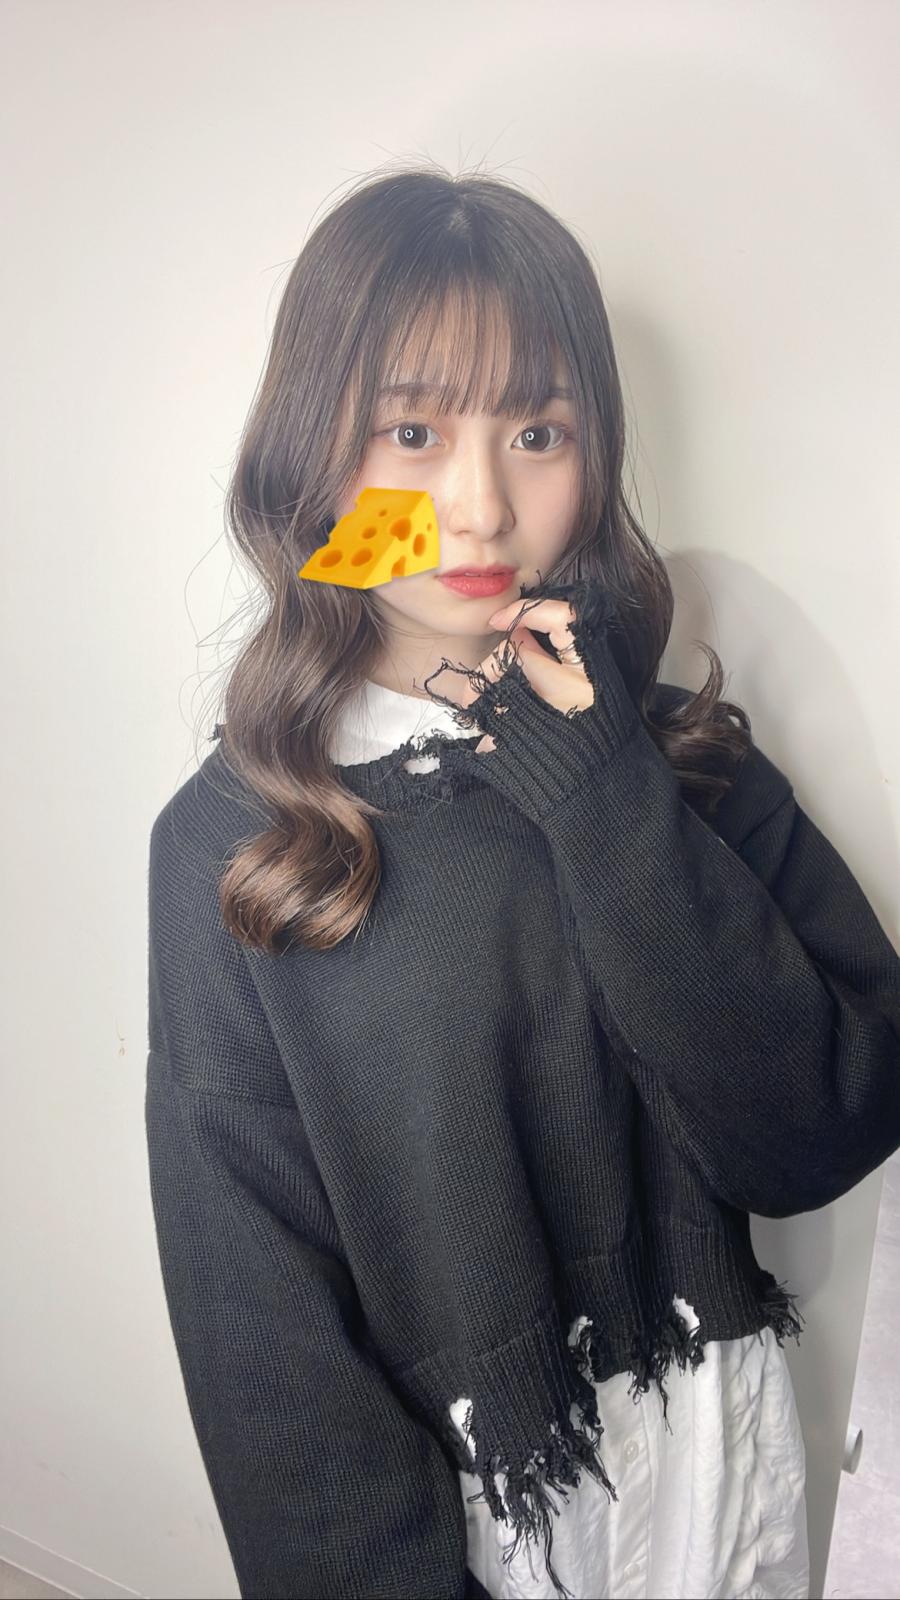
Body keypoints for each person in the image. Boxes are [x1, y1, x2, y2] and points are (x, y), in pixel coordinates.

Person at [145, 163, 900, 1599]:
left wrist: (600, 784)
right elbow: (261, 1339)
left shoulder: (679, 757)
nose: (480, 507)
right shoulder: (241, 844)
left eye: (538, 432)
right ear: (316, 457)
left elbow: (815, 1136)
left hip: (720, 1488)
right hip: (481, 1534)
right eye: (412, 432)